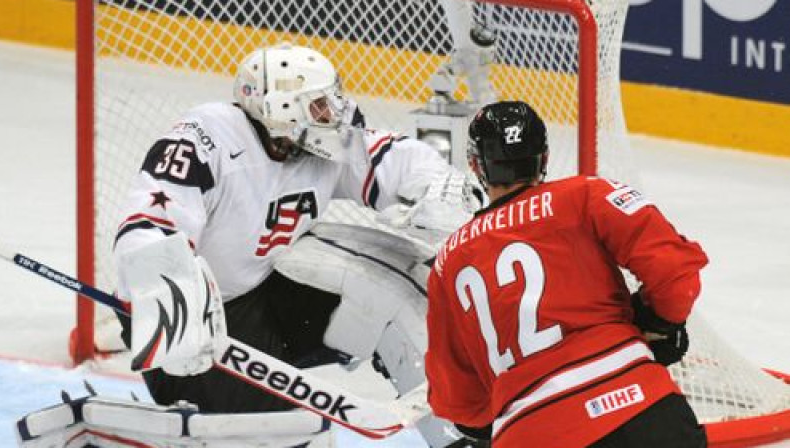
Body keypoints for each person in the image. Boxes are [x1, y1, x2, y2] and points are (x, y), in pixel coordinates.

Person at [112, 43, 483, 446]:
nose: (334, 113)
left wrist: (439, 186)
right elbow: (147, 226)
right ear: (280, 109)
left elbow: (387, 157)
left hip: (268, 296)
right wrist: (173, 309)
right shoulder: (208, 137)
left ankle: (458, 437)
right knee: (286, 437)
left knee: (399, 294)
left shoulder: (319, 143)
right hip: (191, 331)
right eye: (320, 105)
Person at [425, 100, 709, 448]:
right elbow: (675, 274)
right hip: (639, 408)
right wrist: (655, 323)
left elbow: (457, 400)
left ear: (475, 165)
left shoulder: (448, 262)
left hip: (532, 434)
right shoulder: (586, 194)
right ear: (543, 158)